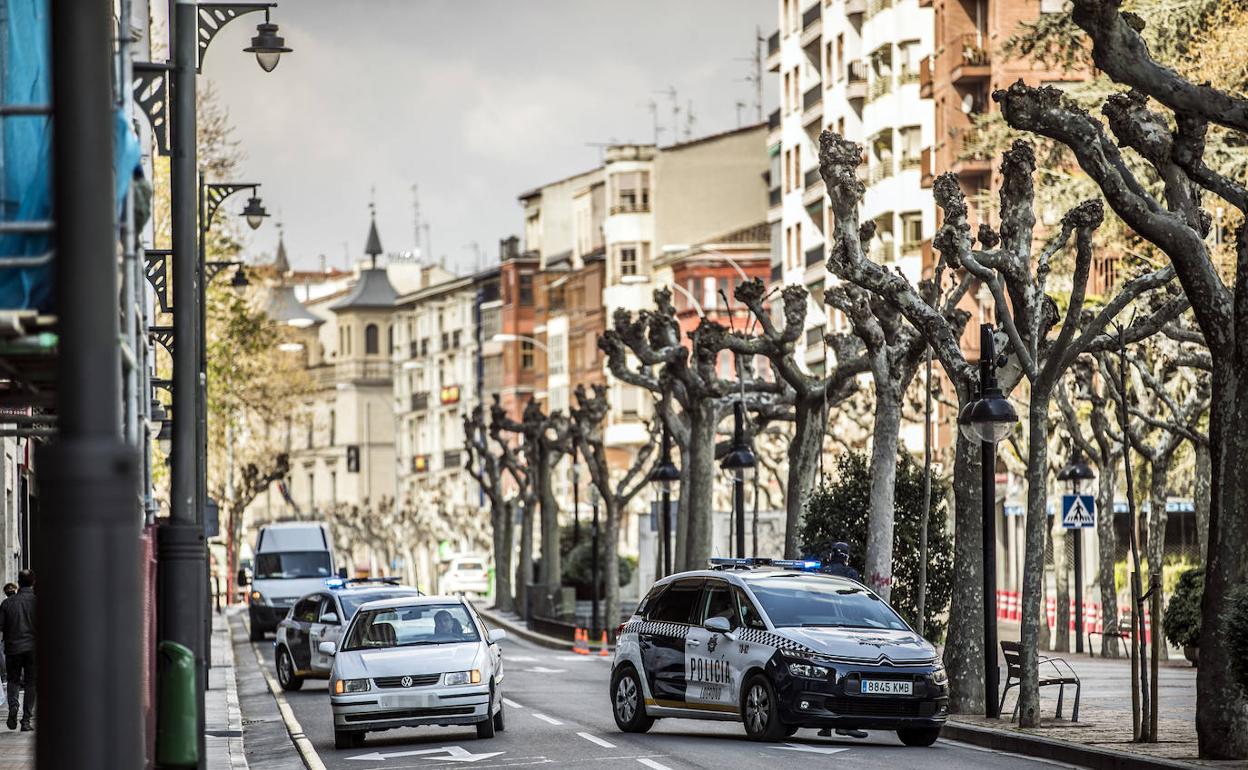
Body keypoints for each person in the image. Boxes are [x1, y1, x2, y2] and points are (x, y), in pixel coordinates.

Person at [1, 570, 35, 731]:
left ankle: (13, 706)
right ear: (32, 582)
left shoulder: (7, 603)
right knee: (30, 683)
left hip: (13, 648)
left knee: (13, 680)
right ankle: (26, 720)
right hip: (33, 649)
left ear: (19, 582)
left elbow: (1, 626)